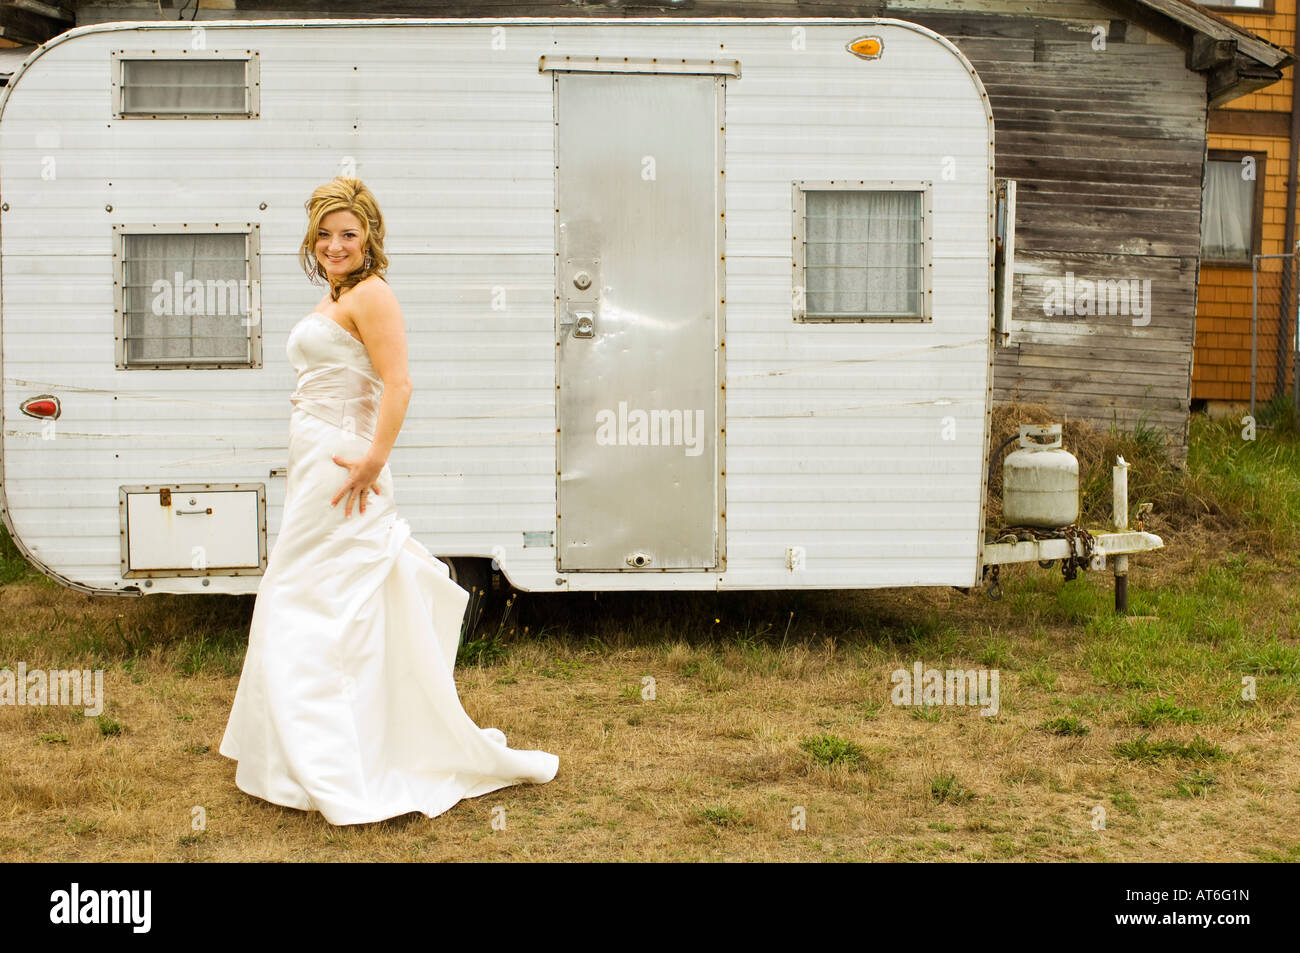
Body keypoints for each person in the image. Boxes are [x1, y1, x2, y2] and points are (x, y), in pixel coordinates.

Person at [219, 176, 558, 825]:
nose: (335, 243)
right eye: (324, 232)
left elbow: (398, 383)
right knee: (321, 599)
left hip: (348, 470)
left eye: (348, 232)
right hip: (318, 467)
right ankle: (315, 750)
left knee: (308, 598)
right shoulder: (335, 295)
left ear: (370, 235)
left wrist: (373, 460)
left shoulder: (372, 294)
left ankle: (333, 756)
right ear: (312, 239)